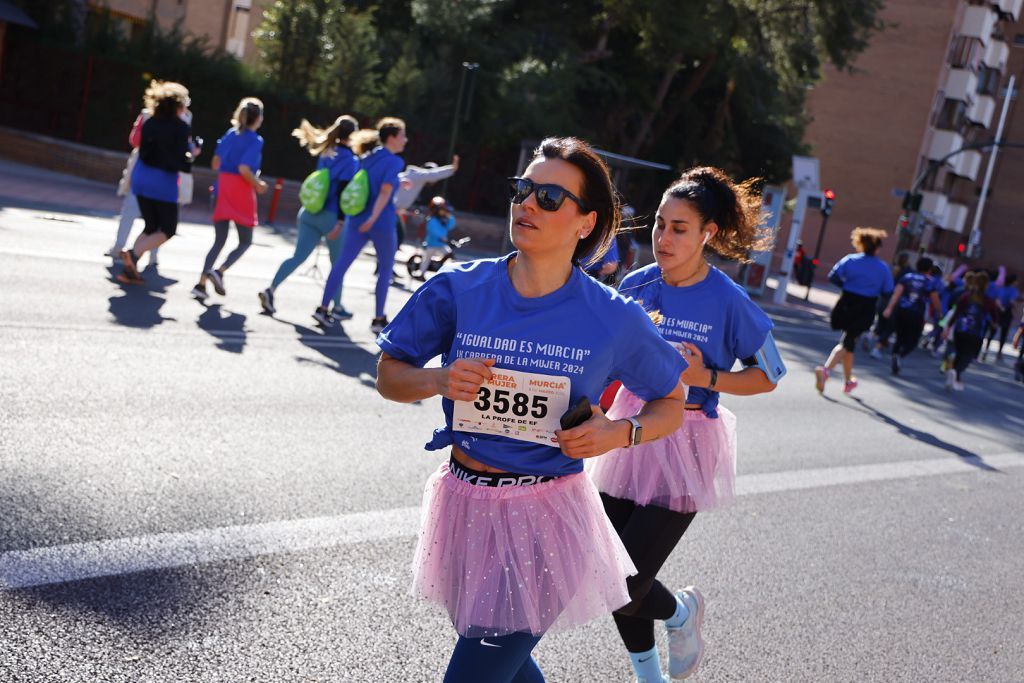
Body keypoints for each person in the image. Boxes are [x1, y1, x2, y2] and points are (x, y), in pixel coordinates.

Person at [374, 137, 688, 682]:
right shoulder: (459, 289)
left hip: (546, 520)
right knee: (505, 668)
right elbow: (390, 376)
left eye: (548, 197)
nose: (526, 204)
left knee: (474, 675)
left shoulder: (612, 316)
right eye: (523, 190)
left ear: (585, 224)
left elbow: (672, 403)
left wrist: (618, 433)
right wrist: (439, 379)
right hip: (463, 506)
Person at [589, 167, 780, 683]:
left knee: (627, 584)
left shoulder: (729, 301)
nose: (663, 238)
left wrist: (706, 375)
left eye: (679, 228)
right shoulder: (636, 284)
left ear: (707, 234)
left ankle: (679, 615)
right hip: (630, 427)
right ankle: (652, 671)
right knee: (607, 572)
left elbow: (769, 376)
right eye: (659, 224)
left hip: (688, 439)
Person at [258, 115, 359, 315]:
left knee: (297, 256)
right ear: (353, 135)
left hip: (309, 212)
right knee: (337, 265)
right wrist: (340, 222)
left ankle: (271, 289)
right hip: (331, 217)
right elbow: (342, 191)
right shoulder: (351, 160)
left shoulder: (326, 152)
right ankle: (336, 306)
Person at [314, 117, 407, 332]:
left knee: (341, 264)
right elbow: (384, 192)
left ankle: (322, 307)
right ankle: (378, 319)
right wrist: (373, 219)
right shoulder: (395, 161)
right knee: (385, 270)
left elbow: (370, 184)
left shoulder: (368, 156)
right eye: (402, 135)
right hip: (381, 222)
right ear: (392, 138)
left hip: (357, 219)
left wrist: (399, 182)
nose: (405, 140)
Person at [190, 98, 267, 302]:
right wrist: (258, 184)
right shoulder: (255, 140)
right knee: (245, 241)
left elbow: (216, 163)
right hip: (241, 190)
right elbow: (244, 169)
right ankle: (220, 271)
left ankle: (201, 284)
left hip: (223, 187)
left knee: (219, 240)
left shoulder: (230, 134)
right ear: (258, 118)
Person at [118, 81, 193, 283]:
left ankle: (129, 270)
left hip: (141, 178)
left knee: (151, 226)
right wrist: (192, 154)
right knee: (168, 229)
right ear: (178, 105)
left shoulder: (150, 122)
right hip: (163, 183)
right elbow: (182, 164)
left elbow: (143, 149)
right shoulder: (181, 128)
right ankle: (133, 254)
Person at [815, 227, 894, 393]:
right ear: (878, 248)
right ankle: (825, 371)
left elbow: (833, 276)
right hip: (866, 306)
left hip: (845, 303)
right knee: (848, 342)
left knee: (849, 343)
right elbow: (888, 291)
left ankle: (848, 381)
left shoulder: (850, 260)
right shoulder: (882, 267)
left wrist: (848, 286)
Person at [106, 108, 161, 267]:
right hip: (164, 177)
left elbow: (135, 140)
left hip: (143, 171)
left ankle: (119, 248)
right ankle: (153, 256)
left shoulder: (147, 115)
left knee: (130, 212)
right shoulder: (183, 119)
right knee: (157, 218)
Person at [881, 256, 942, 375]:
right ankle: (900, 354)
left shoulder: (907, 277)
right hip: (917, 312)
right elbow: (935, 300)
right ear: (930, 269)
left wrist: (889, 308)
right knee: (913, 339)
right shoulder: (930, 281)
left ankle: (895, 354)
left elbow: (896, 294)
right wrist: (939, 313)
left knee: (900, 335)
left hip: (902, 310)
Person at [943, 271, 999, 391]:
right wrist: (995, 325)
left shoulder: (966, 296)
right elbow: (995, 318)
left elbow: (956, 313)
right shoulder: (989, 300)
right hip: (976, 332)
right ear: (986, 285)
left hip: (960, 329)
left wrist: (948, 327)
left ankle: (952, 372)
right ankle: (956, 372)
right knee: (968, 355)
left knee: (958, 352)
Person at [413, 195, 455, 280]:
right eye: (442, 210)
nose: (444, 212)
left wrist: (450, 217)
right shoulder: (431, 220)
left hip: (442, 244)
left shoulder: (443, 220)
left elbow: (450, 226)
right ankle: (421, 273)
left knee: (449, 253)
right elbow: (433, 231)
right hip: (432, 244)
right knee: (427, 259)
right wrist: (441, 237)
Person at [982, 271, 1019, 363]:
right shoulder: (1013, 290)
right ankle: (999, 353)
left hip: (997, 311)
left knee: (992, 332)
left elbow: (997, 299)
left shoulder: (1000, 288)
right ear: (1013, 281)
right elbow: (1012, 301)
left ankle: (986, 349)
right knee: (1003, 333)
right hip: (1006, 313)